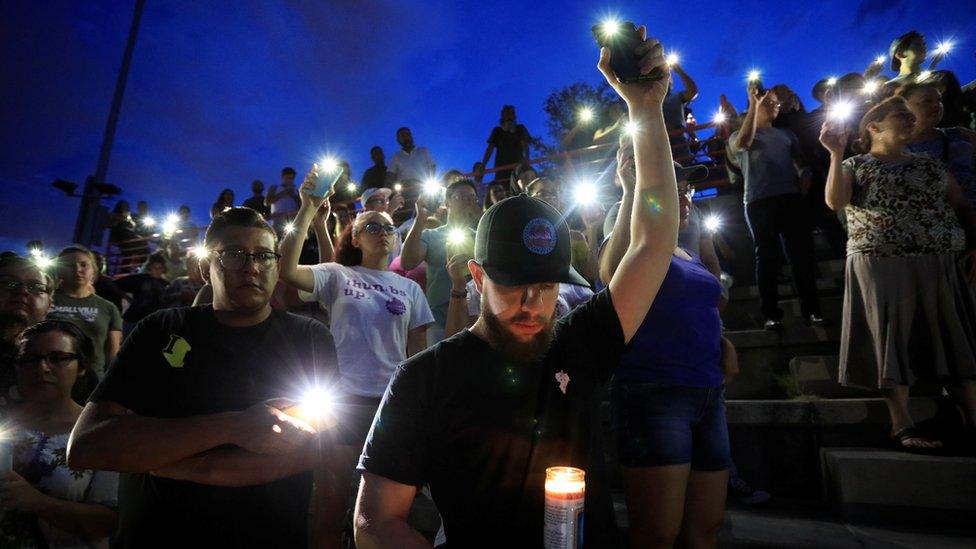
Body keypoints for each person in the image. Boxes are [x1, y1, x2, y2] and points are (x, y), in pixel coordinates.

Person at [353, 27, 679, 547]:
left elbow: (654, 241)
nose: (534, 304)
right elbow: (374, 521)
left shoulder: (580, 341)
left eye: (547, 286)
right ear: (477, 278)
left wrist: (645, 109)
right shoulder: (426, 378)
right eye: (514, 285)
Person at [66, 207, 340, 547]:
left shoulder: (309, 338)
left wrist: (190, 466)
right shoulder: (161, 328)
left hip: (267, 535)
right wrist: (234, 426)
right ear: (204, 268)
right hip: (156, 534)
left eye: (264, 256)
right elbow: (87, 445)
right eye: (233, 255)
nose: (252, 267)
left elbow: (325, 451)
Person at [280, 175, 434, 546]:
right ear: (354, 237)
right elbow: (286, 270)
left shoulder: (410, 288)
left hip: (391, 405)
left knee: (385, 513)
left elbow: (418, 353)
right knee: (331, 500)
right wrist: (308, 209)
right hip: (343, 402)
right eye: (372, 226)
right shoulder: (336, 275)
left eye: (388, 227)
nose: (383, 231)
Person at [600, 133, 737, 548]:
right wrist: (629, 194)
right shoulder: (637, 239)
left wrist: (724, 341)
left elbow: (708, 305)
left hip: (707, 393)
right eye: (672, 189)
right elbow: (609, 273)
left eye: (686, 188)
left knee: (706, 528)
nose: (684, 196)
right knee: (656, 534)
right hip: (653, 392)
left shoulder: (687, 251)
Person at [820, 96, 976, 453]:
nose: (909, 120)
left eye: (910, 115)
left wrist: (973, 244)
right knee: (891, 343)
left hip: (940, 260)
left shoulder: (931, 165)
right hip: (881, 263)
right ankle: (901, 423)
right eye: (900, 116)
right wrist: (833, 152)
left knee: (954, 339)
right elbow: (835, 202)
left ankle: (971, 418)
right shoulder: (856, 165)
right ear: (874, 127)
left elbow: (962, 206)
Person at [1, 321, 118, 547]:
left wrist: (38, 503)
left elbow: (110, 521)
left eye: (58, 358)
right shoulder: (4, 420)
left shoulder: (100, 432)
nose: (42, 368)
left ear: (82, 366)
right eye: (30, 359)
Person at [730, 86, 825, 329]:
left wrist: (804, 177)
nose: (775, 105)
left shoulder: (786, 134)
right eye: (768, 102)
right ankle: (771, 314)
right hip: (758, 200)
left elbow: (802, 164)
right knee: (767, 257)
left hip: (790, 198)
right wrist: (754, 103)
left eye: (776, 103)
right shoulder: (738, 134)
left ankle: (812, 310)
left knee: (801, 255)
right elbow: (742, 144)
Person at [400, 179, 480, 345]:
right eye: (462, 197)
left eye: (473, 198)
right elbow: (407, 262)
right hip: (439, 317)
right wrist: (421, 218)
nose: (469, 202)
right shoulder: (431, 235)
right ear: (447, 202)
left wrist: (482, 219)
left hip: (477, 315)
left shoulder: (482, 237)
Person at [47, 246, 122, 380]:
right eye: (69, 265)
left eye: (84, 265)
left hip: (91, 381)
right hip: (48, 377)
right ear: (59, 270)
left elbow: (112, 354)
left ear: (93, 270)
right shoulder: (45, 301)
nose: (77, 270)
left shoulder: (108, 308)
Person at [901, 82, 976, 207]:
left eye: (939, 100)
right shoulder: (895, 151)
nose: (936, 105)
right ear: (903, 107)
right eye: (927, 101)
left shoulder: (961, 135)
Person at [525, 177, 602, 284]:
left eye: (554, 194)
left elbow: (592, 274)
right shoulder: (523, 238)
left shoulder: (574, 237)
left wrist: (592, 229)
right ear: (529, 200)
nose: (549, 198)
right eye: (542, 194)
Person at [0, 256, 55, 404]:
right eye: (8, 283)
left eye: (36, 287)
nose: (22, 291)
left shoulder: (67, 361)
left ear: (50, 304)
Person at [115, 251, 170, 329]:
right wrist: (128, 299)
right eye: (154, 267)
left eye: (160, 267)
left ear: (163, 268)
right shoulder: (140, 279)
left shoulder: (166, 284)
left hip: (153, 323)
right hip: (133, 320)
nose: (157, 270)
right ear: (150, 267)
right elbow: (116, 285)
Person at [479, 105, 532, 184]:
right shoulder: (497, 131)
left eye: (512, 113)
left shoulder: (520, 129)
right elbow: (490, 149)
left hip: (517, 166)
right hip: (501, 168)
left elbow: (526, 146)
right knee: (503, 189)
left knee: (518, 188)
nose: (510, 116)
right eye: (508, 114)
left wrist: (526, 161)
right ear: (503, 116)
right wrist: (483, 165)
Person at [662, 59, 700, 163]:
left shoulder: (677, 96)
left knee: (683, 170)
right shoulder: (650, 100)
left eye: (669, 78)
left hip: (678, 139)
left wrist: (679, 70)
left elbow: (693, 91)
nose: (667, 79)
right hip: (658, 139)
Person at [107, 200, 149, 274]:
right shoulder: (118, 227)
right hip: (121, 262)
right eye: (125, 209)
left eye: (127, 209)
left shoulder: (130, 226)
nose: (127, 211)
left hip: (126, 263)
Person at [267, 167, 301, 233]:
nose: (289, 180)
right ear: (283, 177)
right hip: (277, 221)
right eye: (287, 178)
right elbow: (267, 202)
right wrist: (283, 193)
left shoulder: (297, 191)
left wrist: (293, 196)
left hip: (293, 221)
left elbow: (301, 206)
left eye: (291, 178)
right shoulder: (274, 188)